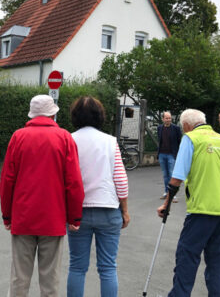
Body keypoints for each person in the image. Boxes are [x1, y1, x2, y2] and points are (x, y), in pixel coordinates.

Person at [0, 95, 84, 297]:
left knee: (19, 278)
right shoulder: (65, 138)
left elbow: (7, 181)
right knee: (50, 280)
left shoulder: (18, 137)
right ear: (53, 113)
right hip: (53, 219)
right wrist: (74, 217)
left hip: (23, 217)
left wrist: (7, 215)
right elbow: (73, 182)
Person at [157, 109, 220, 297]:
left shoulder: (191, 138)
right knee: (218, 257)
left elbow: (176, 178)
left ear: (186, 125)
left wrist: (166, 204)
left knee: (187, 254)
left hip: (202, 208)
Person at [67, 96, 130, 297]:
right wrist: (125, 211)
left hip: (78, 213)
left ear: (75, 116)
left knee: (77, 266)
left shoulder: (68, 140)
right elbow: (120, 180)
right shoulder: (110, 142)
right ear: (100, 116)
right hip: (109, 209)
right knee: (108, 268)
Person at [157, 111, 181, 200]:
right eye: (166, 118)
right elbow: (160, 140)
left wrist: (177, 154)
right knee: (165, 175)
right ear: (163, 119)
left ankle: (173, 194)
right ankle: (166, 192)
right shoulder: (159, 128)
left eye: (170, 118)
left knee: (171, 174)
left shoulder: (176, 128)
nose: (168, 120)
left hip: (171, 154)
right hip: (162, 154)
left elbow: (179, 141)